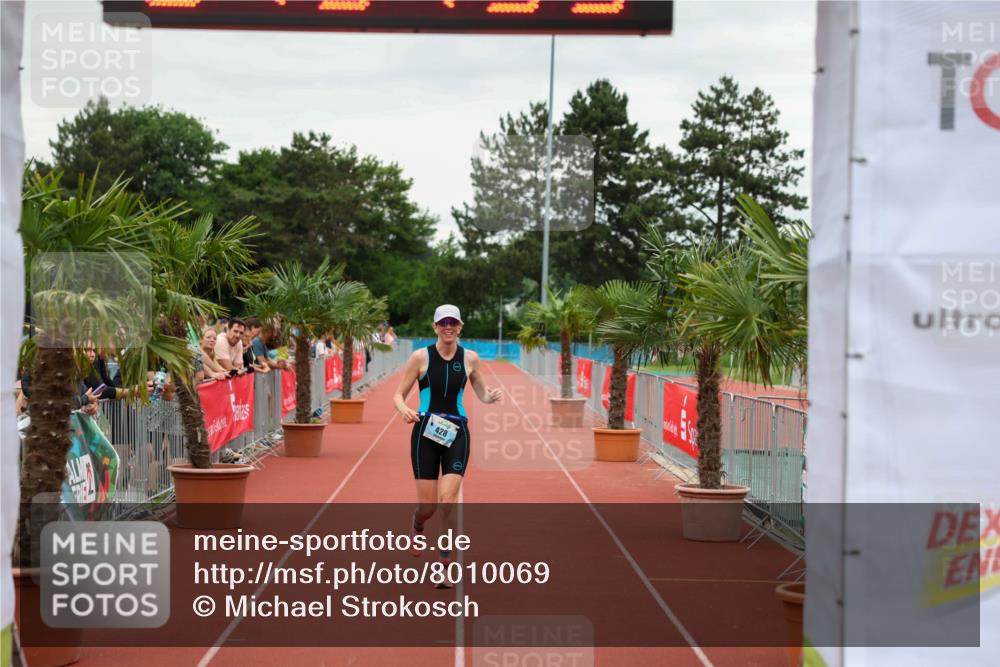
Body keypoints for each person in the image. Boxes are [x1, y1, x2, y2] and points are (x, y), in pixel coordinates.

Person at [392, 304, 503, 588]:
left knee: (448, 500)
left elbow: (481, 393)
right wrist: (404, 409)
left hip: (457, 433)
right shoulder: (420, 357)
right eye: (443, 323)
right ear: (435, 327)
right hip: (425, 433)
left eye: (453, 322)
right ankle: (418, 523)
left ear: (460, 326)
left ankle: (443, 565)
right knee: (428, 506)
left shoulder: (471, 358)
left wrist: (490, 397)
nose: (448, 327)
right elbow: (398, 395)